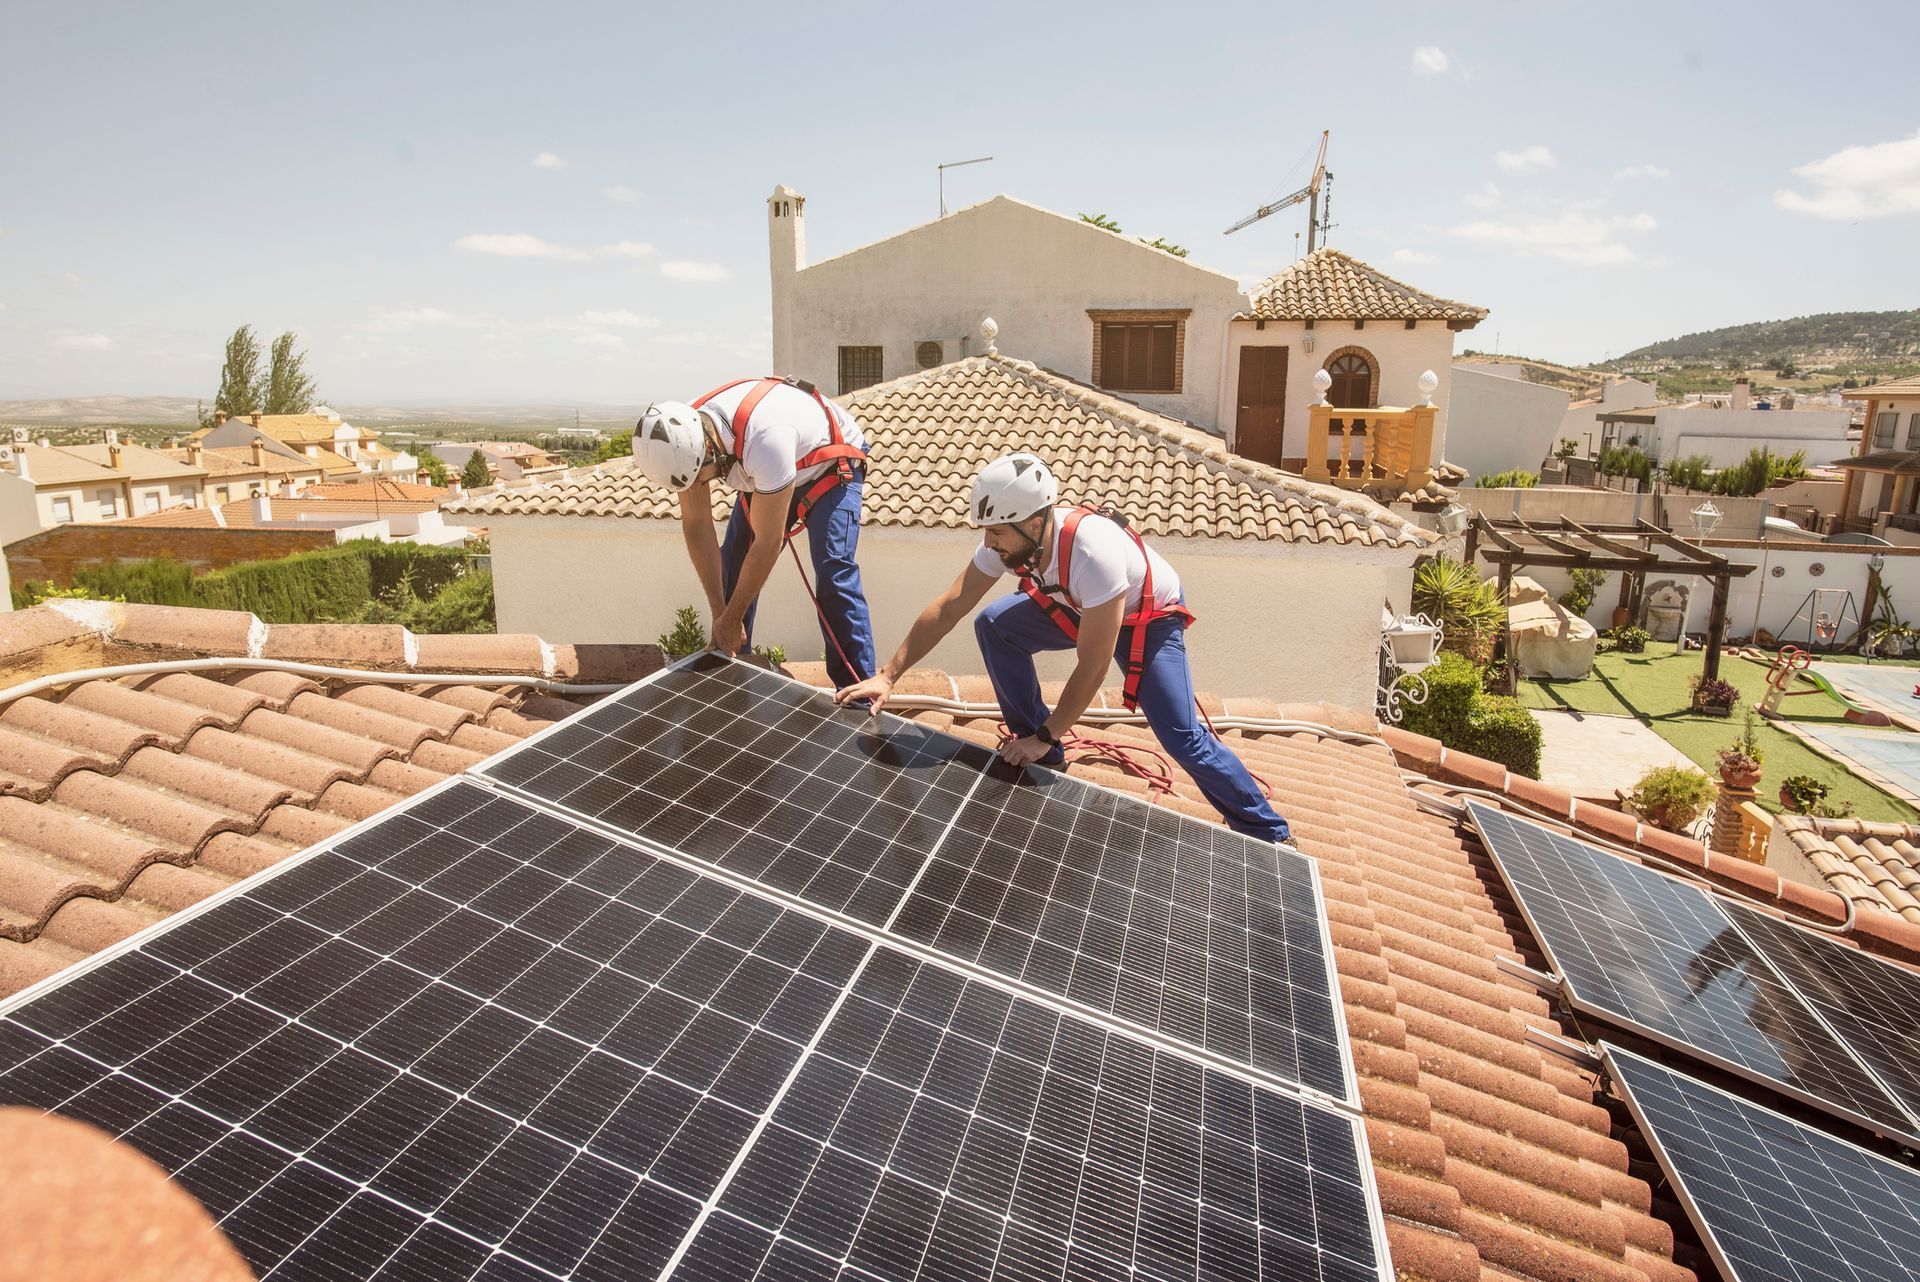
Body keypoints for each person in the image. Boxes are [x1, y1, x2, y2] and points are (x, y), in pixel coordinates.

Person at [835, 452, 1292, 844]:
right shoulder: (1011, 539)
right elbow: (951, 604)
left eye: (997, 534)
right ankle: (1038, 747)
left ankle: (1269, 834)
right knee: (994, 624)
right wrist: (889, 674)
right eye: (987, 533)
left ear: (1035, 523)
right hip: (1075, 603)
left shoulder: (1093, 553)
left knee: (1181, 737)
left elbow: (1093, 666)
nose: (988, 544)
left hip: (1145, 619)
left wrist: (1050, 731)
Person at [634, 376, 876, 690]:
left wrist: (732, 617)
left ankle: (858, 691)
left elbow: (767, 542)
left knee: (833, 572)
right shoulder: (683, 440)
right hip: (767, 468)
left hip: (829, 466)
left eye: (699, 479)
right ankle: (733, 668)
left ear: (709, 449)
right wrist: (721, 613)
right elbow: (697, 526)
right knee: (733, 563)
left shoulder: (766, 441)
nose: (696, 487)